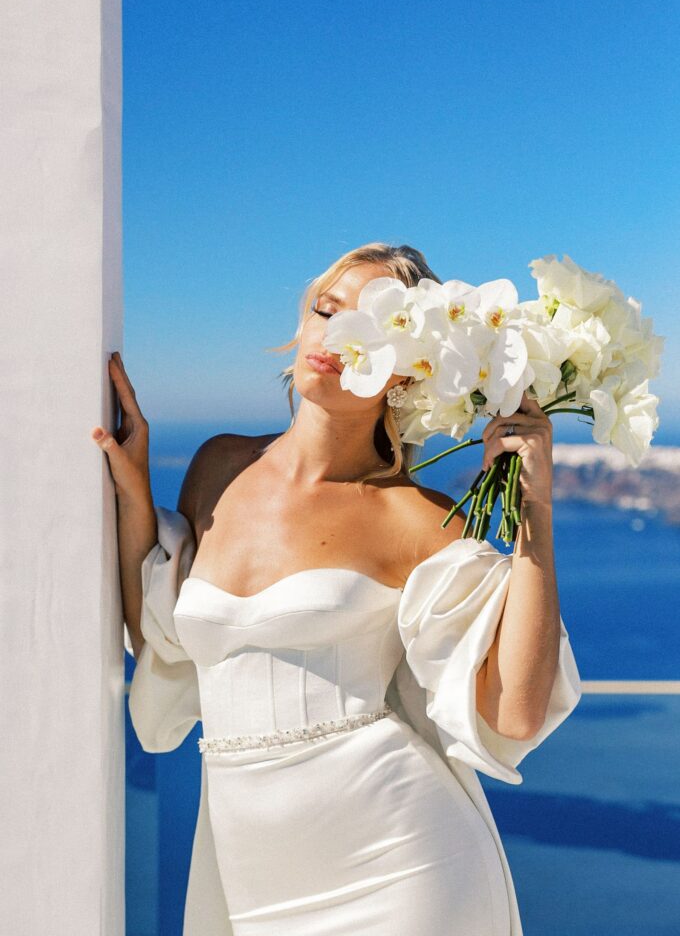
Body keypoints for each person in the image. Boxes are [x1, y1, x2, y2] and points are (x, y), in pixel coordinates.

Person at [92, 242, 582, 936]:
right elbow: (166, 646)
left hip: (398, 869)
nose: (335, 337)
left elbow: (514, 715)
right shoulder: (218, 468)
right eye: (327, 310)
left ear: (411, 375)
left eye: (376, 330)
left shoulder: (415, 518)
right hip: (247, 871)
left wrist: (534, 512)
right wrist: (135, 497)